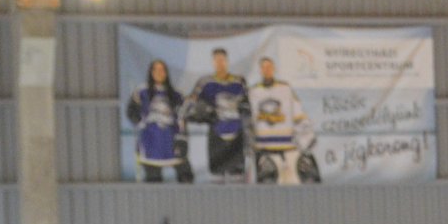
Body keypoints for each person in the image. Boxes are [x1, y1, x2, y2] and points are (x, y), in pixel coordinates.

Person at [249, 57, 317, 185]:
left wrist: (306, 137)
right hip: (264, 149)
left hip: (288, 148)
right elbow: (250, 119)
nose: (267, 70)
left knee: (293, 183)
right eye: (264, 67)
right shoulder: (253, 91)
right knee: (268, 188)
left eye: (269, 67)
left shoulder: (285, 88)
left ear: (274, 69)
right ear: (260, 70)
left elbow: (298, 113)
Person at [125, 58, 192, 183]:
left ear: (166, 72)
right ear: (151, 72)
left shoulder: (176, 94)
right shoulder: (142, 91)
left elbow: (183, 118)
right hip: (150, 144)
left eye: (162, 69)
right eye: (155, 69)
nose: (159, 72)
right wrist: (140, 122)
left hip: (172, 144)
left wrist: (182, 139)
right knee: (154, 185)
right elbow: (131, 111)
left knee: (187, 179)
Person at [188, 47, 249, 183]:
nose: (220, 63)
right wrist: (204, 116)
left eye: (222, 60)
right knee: (216, 178)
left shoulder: (239, 81)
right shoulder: (205, 82)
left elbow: (248, 106)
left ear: (227, 61)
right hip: (216, 135)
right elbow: (191, 106)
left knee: (238, 178)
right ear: (213, 62)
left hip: (236, 136)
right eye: (217, 60)